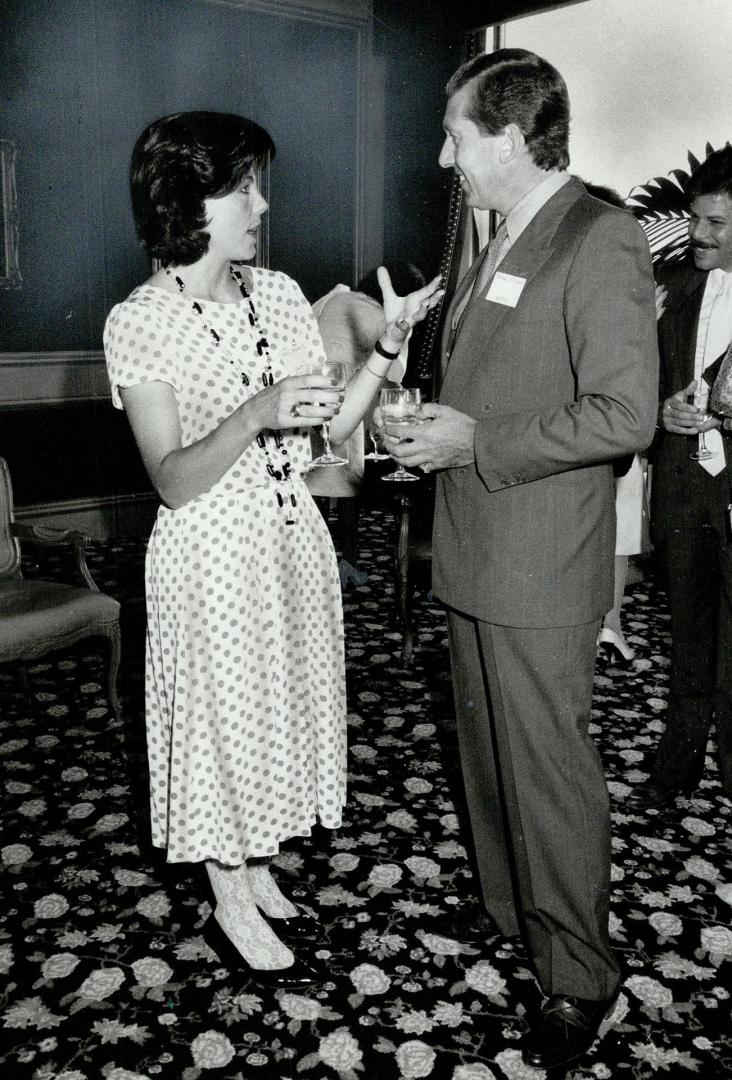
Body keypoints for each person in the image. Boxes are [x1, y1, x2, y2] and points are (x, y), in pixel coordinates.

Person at [103, 111, 442, 989]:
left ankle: (254, 870)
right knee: (221, 720)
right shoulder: (140, 322)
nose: (262, 203)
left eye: (260, 182)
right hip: (209, 551)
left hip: (288, 536)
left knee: (275, 709)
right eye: (243, 185)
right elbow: (173, 480)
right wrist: (253, 412)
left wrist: (386, 351)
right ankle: (228, 900)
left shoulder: (281, 294)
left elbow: (328, 426)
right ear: (188, 197)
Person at [383, 51, 658, 1071]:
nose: (443, 155)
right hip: (472, 549)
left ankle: (582, 977)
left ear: (505, 138)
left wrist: (476, 446)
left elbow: (625, 414)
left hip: (541, 568)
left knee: (547, 779)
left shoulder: (601, 235)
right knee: (488, 769)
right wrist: (437, 441)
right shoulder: (491, 233)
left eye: (455, 136)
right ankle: (520, 929)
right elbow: (490, 380)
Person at [627, 145, 732, 810]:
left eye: (717, 224)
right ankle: (678, 767)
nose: (697, 234)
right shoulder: (681, 290)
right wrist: (664, 409)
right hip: (684, 492)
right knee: (689, 636)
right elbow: (647, 383)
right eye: (697, 219)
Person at [307, 263, 426, 589]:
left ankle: (315, 563)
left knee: (313, 489)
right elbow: (395, 370)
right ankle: (348, 563)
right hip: (346, 401)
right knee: (348, 490)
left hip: (313, 397)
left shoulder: (333, 298)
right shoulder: (370, 310)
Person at [583, 183, 653, 665]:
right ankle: (599, 625)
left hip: (620, 428)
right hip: (591, 425)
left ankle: (609, 624)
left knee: (620, 529)